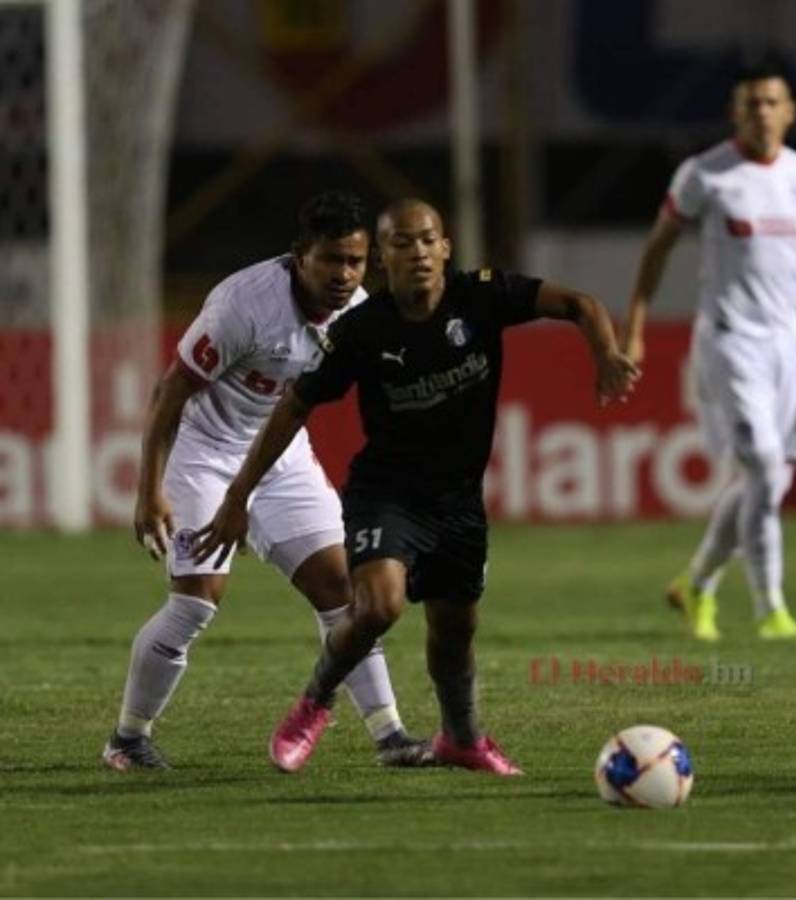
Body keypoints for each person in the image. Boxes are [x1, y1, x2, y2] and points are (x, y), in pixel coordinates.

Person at [192, 198, 640, 776]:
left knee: (455, 632)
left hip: (458, 503)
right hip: (387, 494)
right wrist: (238, 496)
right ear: (383, 257)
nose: (419, 252)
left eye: (428, 240)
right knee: (380, 606)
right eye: (402, 243)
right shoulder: (362, 330)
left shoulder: (481, 296)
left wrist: (605, 351)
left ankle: (462, 740)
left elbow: (580, 304)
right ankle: (313, 704)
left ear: (446, 247)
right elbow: (293, 407)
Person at [102, 191, 433, 772]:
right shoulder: (244, 307)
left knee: (344, 592)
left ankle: (391, 736)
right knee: (196, 601)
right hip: (203, 453)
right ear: (300, 257)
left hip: (280, 456)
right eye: (331, 260)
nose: (344, 275)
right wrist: (149, 490)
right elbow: (169, 393)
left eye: (355, 262)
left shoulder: (357, 313)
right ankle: (128, 739)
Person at [622, 63, 796, 642]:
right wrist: (634, 327)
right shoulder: (705, 174)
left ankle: (697, 582)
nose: (761, 111)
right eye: (751, 103)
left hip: (784, 345)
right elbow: (657, 248)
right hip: (728, 339)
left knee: (771, 480)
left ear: (790, 112)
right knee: (761, 464)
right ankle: (770, 609)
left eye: (771, 101)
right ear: (735, 113)